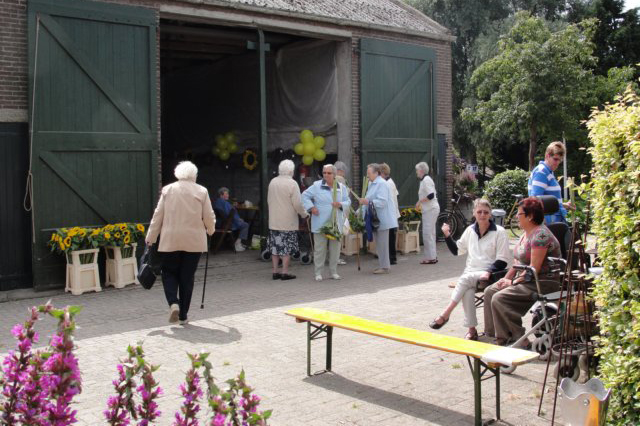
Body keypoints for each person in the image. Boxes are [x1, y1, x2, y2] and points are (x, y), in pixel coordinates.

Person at [483, 197, 562, 347]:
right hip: (527, 280)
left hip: (542, 282)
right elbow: (517, 262)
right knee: (490, 291)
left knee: (500, 298)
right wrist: (505, 279)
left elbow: (533, 269)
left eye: (519, 214)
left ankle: (515, 338)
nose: (516, 217)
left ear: (530, 216)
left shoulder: (541, 236)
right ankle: (494, 334)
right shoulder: (525, 234)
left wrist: (512, 283)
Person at [428, 199, 511, 340]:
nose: (482, 215)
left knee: (464, 280)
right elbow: (457, 251)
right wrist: (447, 235)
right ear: (474, 213)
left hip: (491, 274)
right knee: (467, 289)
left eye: (485, 212)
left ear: (490, 214)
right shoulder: (470, 230)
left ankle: (445, 314)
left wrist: (489, 271)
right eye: (479, 212)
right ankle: (472, 331)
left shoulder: (500, 232)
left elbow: (503, 260)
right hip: (471, 274)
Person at [145, 161, 216, 325]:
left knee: (168, 272)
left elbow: (158, 216)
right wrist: (211, 230)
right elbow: (209, 215)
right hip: (194, 241)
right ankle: (183, 315)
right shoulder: (202, 191)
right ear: (194, 175)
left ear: (178, 173)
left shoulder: (168, 190)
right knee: (187, 277)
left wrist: (151, 236)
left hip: (170, 239)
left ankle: (173, 302)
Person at [302, 164, 351, 281]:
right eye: (324, 173)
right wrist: (311, 208)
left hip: (336, 223)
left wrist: (341, 205)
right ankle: (318, 272)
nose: (326, 175)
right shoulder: (316, 186)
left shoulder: (341, 187)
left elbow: (348, 201)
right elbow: (304, 196)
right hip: (320, 223)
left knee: (335, 250)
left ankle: (333, 272)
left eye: (329, 173)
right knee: (319, 249)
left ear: (334, 175)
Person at [267, 159, 309, 280]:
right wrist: (304, 214)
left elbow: (269, 200)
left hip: (274, 221)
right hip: (287, 222)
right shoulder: (292, 183)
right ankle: (285, 272)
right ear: (291, 171)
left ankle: (275, 272)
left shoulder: (273, 182)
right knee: (286, 248)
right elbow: (297, 204)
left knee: (275, 248)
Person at [359, 163, 398, 274]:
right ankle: (383, 265)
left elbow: (382, 202)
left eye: (369, 173)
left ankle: (385, 267)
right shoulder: (373, 184)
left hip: (382, 219)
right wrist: (359, 210)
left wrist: (367, 202)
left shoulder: (382, 184)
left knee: (383, 243)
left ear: (376, 173)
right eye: (367, 173)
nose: (367, 175)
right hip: (376, 219)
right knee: (380, 243)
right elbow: (368, 199)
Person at [528, 141, 574, 223]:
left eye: (560, 160)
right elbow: (534, 201)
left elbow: (547, 201)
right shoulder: (541, 172)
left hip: (553, 220)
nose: (557, 163)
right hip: (549, 223)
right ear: (547, 155)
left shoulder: (548, 172)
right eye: (555, 159)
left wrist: (564, 205)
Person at [415, 162, 440, 264]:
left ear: (421, 170)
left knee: (427, 233)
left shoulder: (426, 180)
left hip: (430, 209)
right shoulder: (425, 180)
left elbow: (431, 195)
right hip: (430, 209)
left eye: (417, 170)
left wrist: (420, 201)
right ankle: (432, 256)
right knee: (431, 233)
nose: (416, 172)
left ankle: (430, 258)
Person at [213, 187, 249, 252]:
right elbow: (229, 215)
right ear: (221, 195)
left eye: (228, 194)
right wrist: (239, 219)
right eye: (226, 194)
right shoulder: (225, 203)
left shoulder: (217, 202)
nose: (228, 195)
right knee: (245, 225)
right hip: (227, 224)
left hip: (220, 223)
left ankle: (236, 243)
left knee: (242, 223)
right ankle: (237, 244)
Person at [380, 163, 400, 265]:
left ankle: (391, 257)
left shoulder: (387, 184)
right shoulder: (390, 182)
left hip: (390, 214)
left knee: (390, 237)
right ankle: (392, 257)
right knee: (391, 236)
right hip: (393, 213)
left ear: (382, 173)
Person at [334, 161, 350, 265]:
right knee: (338, 235)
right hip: (340, 210)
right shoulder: (340, 179)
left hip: (333, 210)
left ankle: (333, 257)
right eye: (343, 171)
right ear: (340, 171)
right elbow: (344, 195)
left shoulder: (331, 179)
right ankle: (336, 258)